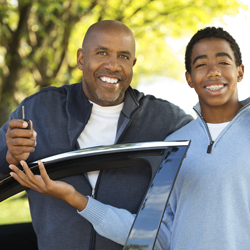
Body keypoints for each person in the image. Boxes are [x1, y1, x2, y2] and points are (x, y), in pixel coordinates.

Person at [0, 20, 192, 250]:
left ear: (133, 63)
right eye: (102, 53)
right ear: (81, 59)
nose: (113, 65)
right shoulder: (39, 110)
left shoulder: (166, 118)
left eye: (123, 56)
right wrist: (10, 157)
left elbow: (211, 160)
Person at [161, 26, 248, 249]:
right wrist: (82, 203)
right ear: (189, 78)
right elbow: (158, 230)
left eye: (223, 62)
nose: (213, 72)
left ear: (240, 71)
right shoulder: (172, 146)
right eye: (201, 65)